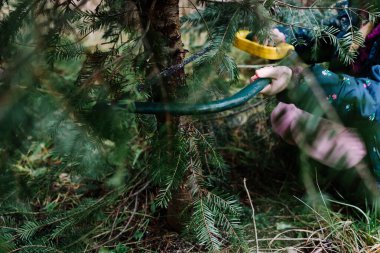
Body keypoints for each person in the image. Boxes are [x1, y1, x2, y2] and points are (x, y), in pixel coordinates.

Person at [251, 2, 380, 197]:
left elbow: (373, 99)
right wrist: (282, 36)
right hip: (362, 122)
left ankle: (362, 186)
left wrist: (296, 81)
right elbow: (321, 34)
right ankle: (332, 174)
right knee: (287, 115)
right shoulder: (359, 10)